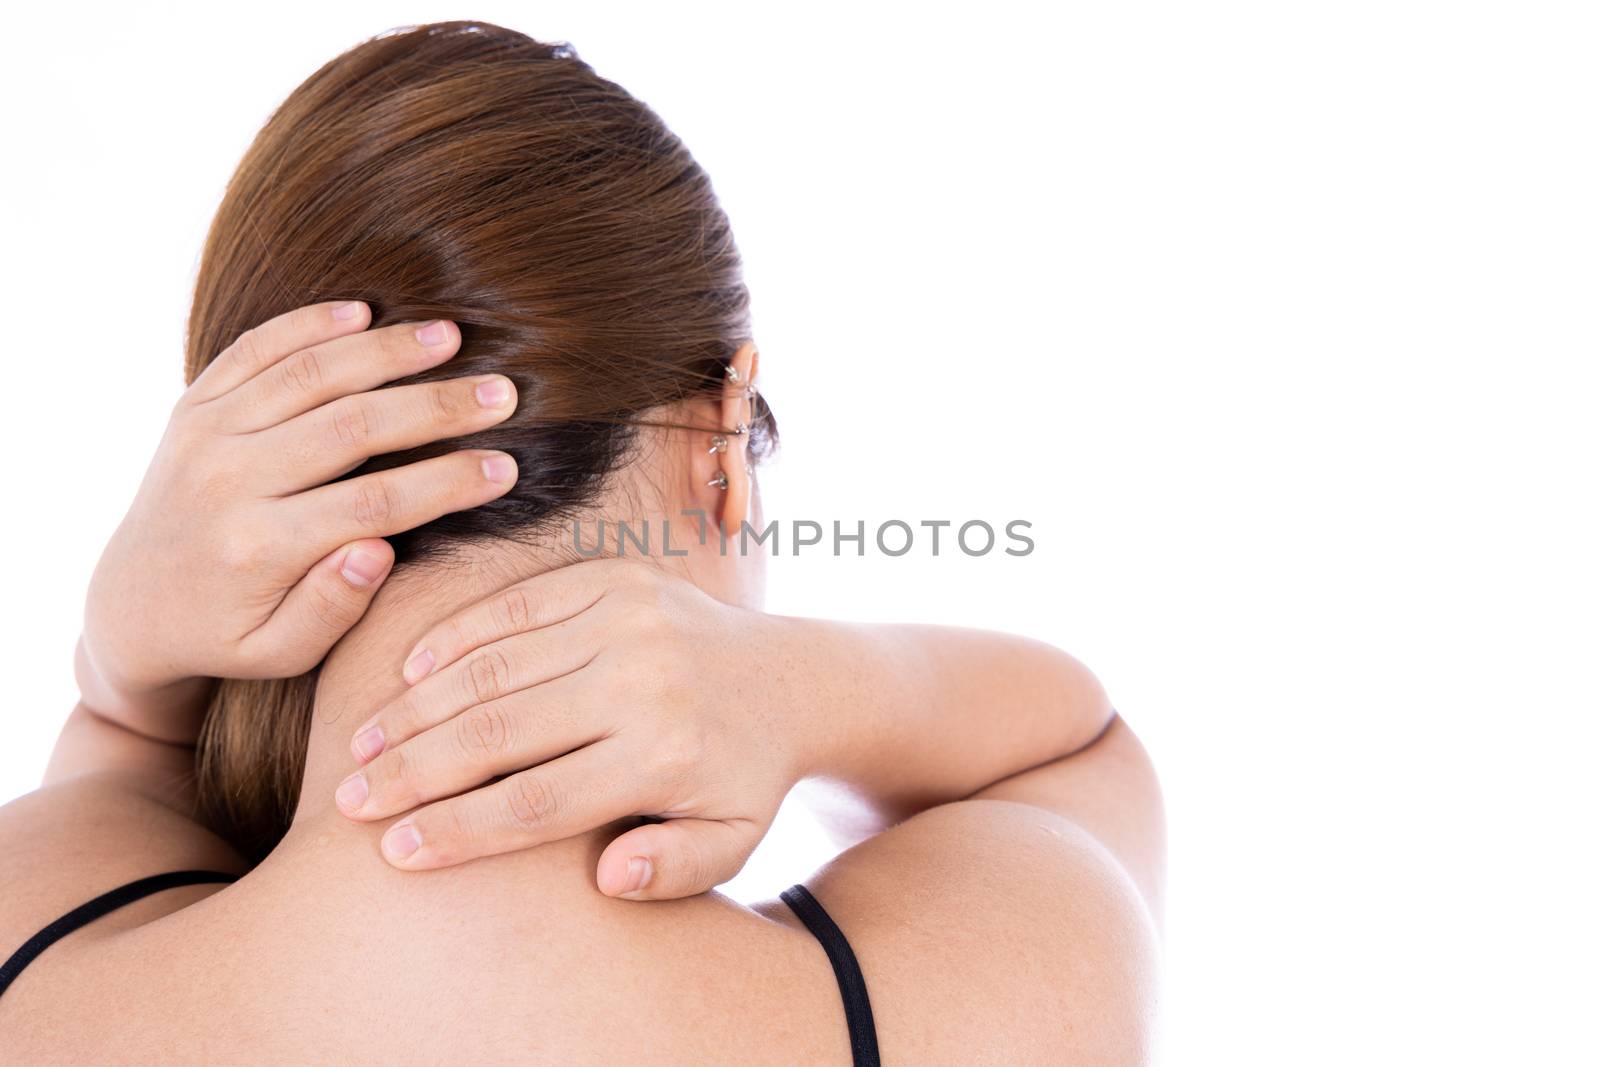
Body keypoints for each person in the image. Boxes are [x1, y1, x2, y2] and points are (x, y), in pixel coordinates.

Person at [0, 21, 1163, 1064]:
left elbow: (119, 777)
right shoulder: (972, 1001)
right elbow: (1080, 749)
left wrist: (121, 661)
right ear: (721, 443)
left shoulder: (34, 949)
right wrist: (832, 684)